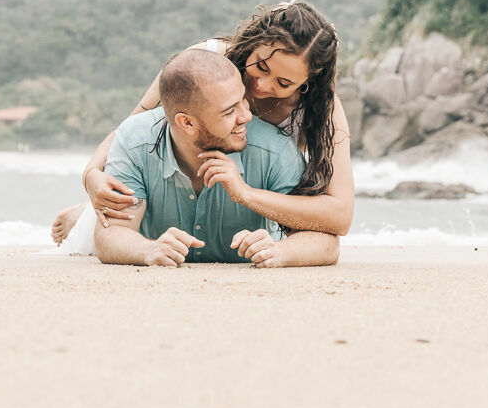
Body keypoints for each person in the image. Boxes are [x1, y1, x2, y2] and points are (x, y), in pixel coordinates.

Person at [52, 0, 353, 262]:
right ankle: (84, 213)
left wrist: (246, 194)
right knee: (113, 212)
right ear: (257, 42)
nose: (262, 86)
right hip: (168, 184)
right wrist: (91, 173)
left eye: (284, 84)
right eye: (261, 67)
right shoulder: (209, 59)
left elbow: (339, 216)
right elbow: (133, 129)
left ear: (308, 81)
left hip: (257, 189)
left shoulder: (322, 110)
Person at [94, 47, 337, 267]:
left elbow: (326, 240)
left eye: (243, 101)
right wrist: (147, 250)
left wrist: (281, 251)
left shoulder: (275, 149)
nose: (246, 116)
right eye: (229, 111)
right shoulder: (134, 140)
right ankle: (81, 214)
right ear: (186, 122)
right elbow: (111, 233)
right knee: (91, 218)